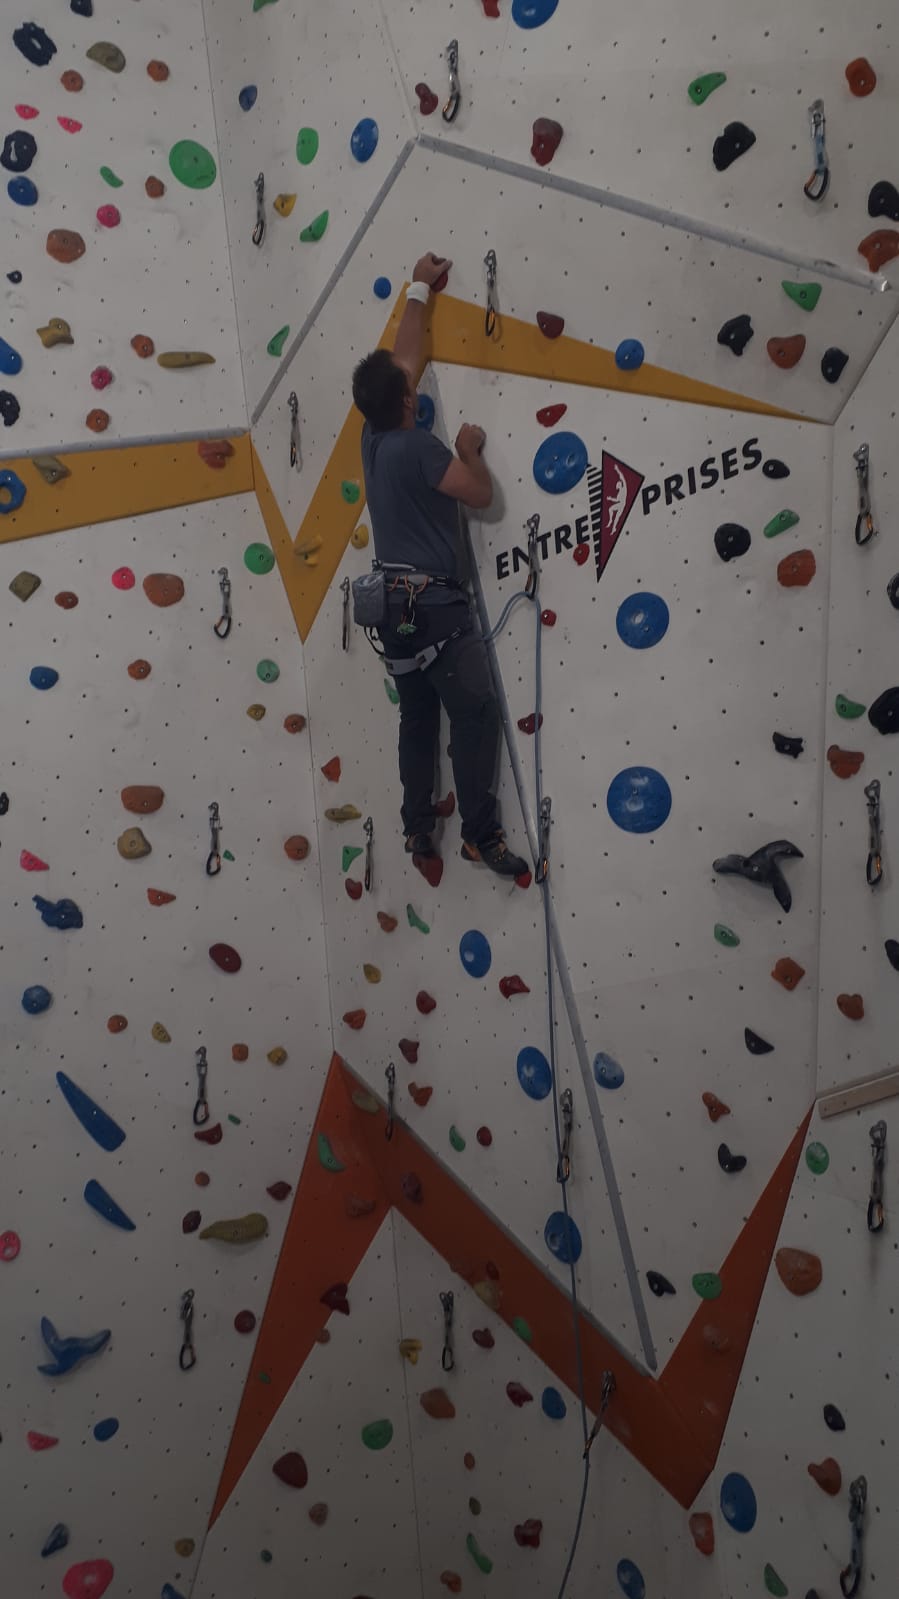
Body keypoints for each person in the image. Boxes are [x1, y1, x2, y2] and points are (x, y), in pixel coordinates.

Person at [351, 250, 528, 881]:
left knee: (417, 718)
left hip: (391, 615)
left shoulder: (372, 441)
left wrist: (418, 288)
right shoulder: (419, 448)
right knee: (474, 712)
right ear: (407, 401)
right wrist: (469, 449)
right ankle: (481, 835)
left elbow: (404, 359)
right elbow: (477, 494)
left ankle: (417, 826)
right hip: (433, 610)